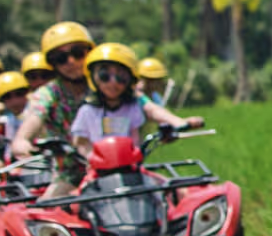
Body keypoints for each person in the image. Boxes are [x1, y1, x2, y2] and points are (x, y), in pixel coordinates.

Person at [69, 43, 201, 158]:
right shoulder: (87, 111)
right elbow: (81, 142)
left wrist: (179, 123)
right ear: (93, 77)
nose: (113, 83)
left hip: (131, 167)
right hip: (97, 170)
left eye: (121, 77)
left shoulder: (133, 106)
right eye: (104, 76)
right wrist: (92, 158)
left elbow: (139, 132)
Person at [12, 22, 97, 198]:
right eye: (61, 58)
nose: (71, 62)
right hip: (73, 173)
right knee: (47, 213)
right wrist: (22, 141)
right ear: (52, 64)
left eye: (78, 53)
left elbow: (143, 104)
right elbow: (34, 118)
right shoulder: (48, 94)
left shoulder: (106, 84)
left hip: (120, 167)